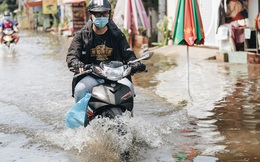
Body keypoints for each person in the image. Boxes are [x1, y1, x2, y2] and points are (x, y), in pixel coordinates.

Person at [66, 0, 146, 103]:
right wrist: (76, 63)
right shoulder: (81, 35)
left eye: (104, 13)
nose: (101, 16)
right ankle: (81, 116)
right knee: (80, 89)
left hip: (116, 75)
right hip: (92, 75)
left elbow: (128, 53)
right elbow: (72, 54)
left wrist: (136, 63)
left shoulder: (117, 35)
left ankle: (129, 116)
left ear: (109, 14)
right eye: (97, 14)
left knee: (129, 86)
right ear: (91, 14)